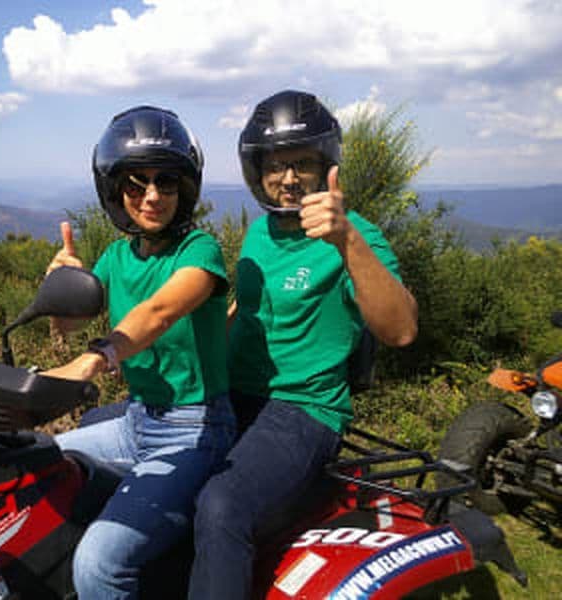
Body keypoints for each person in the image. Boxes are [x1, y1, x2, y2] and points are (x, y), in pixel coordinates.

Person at [187, 90, 418, 599]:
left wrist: (346, 242)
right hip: (237, 396)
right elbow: (245, 312)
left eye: (302, 164)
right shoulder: (261, 233)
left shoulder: (356, 234)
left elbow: (401, 330)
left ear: (325, 167)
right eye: (276, 165)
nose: (288, 178)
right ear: (257, 171)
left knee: (222, 504)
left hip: (304, 409)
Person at [42, 105, 235, 600]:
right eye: (135, 183)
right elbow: (66, 322)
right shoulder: (115, 257)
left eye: (166, 181)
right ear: (115, 190)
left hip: (196, 429)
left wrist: (99, 355)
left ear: (184, 188)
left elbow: (159, 312)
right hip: (135, 423)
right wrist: (60, 283)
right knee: (27, 467)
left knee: (99, 566)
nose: (151, 196)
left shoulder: (199, 251)